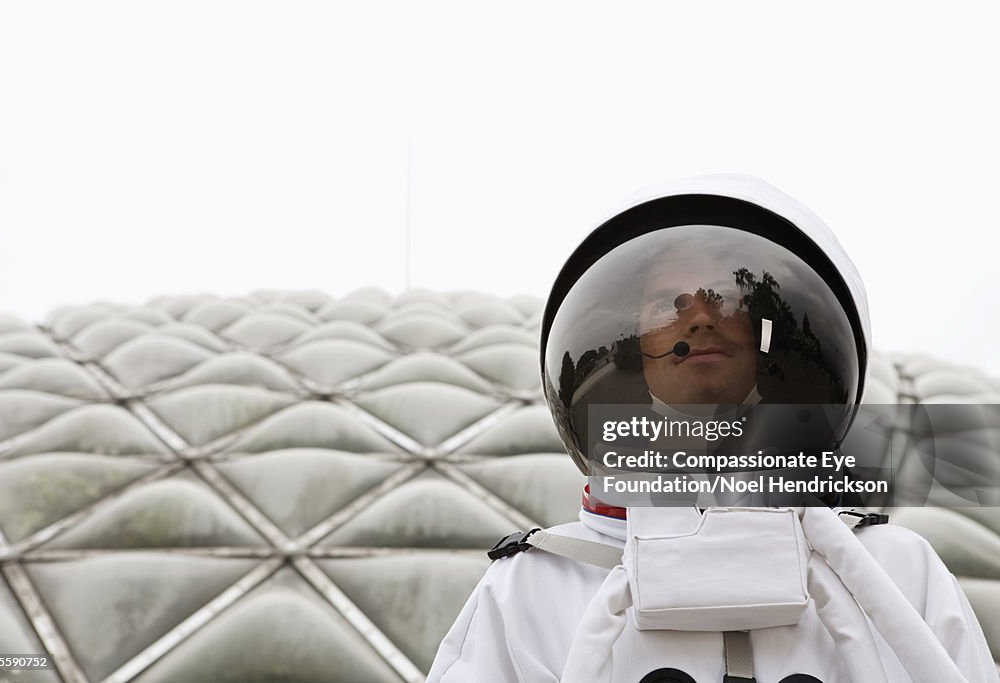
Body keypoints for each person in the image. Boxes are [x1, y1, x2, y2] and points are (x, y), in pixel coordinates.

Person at [427, 175, 998, 682]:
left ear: (767, 333)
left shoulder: (898, 571)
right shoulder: (534, 588)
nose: (698, 316)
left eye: (726, 297)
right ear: (635, 348)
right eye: (666, 304)